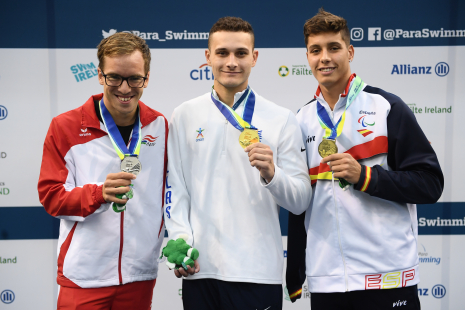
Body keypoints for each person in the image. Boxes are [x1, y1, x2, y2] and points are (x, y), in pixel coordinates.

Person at [285, 9, 444, 310]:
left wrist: (366, 176)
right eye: (315, 50)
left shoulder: (387, 107)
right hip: (327, 279)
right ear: (307, 56)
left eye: (334, 47)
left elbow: (430, 183)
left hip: (387, 276)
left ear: (351, 51)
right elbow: (300, 203)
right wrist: (295, 273)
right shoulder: (300, 121)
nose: (325, 58)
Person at [164, 16, 312, 310]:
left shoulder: (281, 118)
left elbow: (300, 201)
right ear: (208, 57)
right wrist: (183, 245)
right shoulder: (184, 115)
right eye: (222, 53)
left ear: (254, 58)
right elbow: (175, 190)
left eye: (241, 53)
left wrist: (272, 174)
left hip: (257, 273)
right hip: (199, 270)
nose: (231, 62)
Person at [38, 32, 168, 309]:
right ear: (100, 75)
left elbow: (172, 192)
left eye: (134, 78)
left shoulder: (160, 126)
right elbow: (51, 197)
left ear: (147, 78)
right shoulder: (65, 127)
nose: (124, 88)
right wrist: (98, 194)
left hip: (138, 273)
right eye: (114, 77)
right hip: (85, 275)